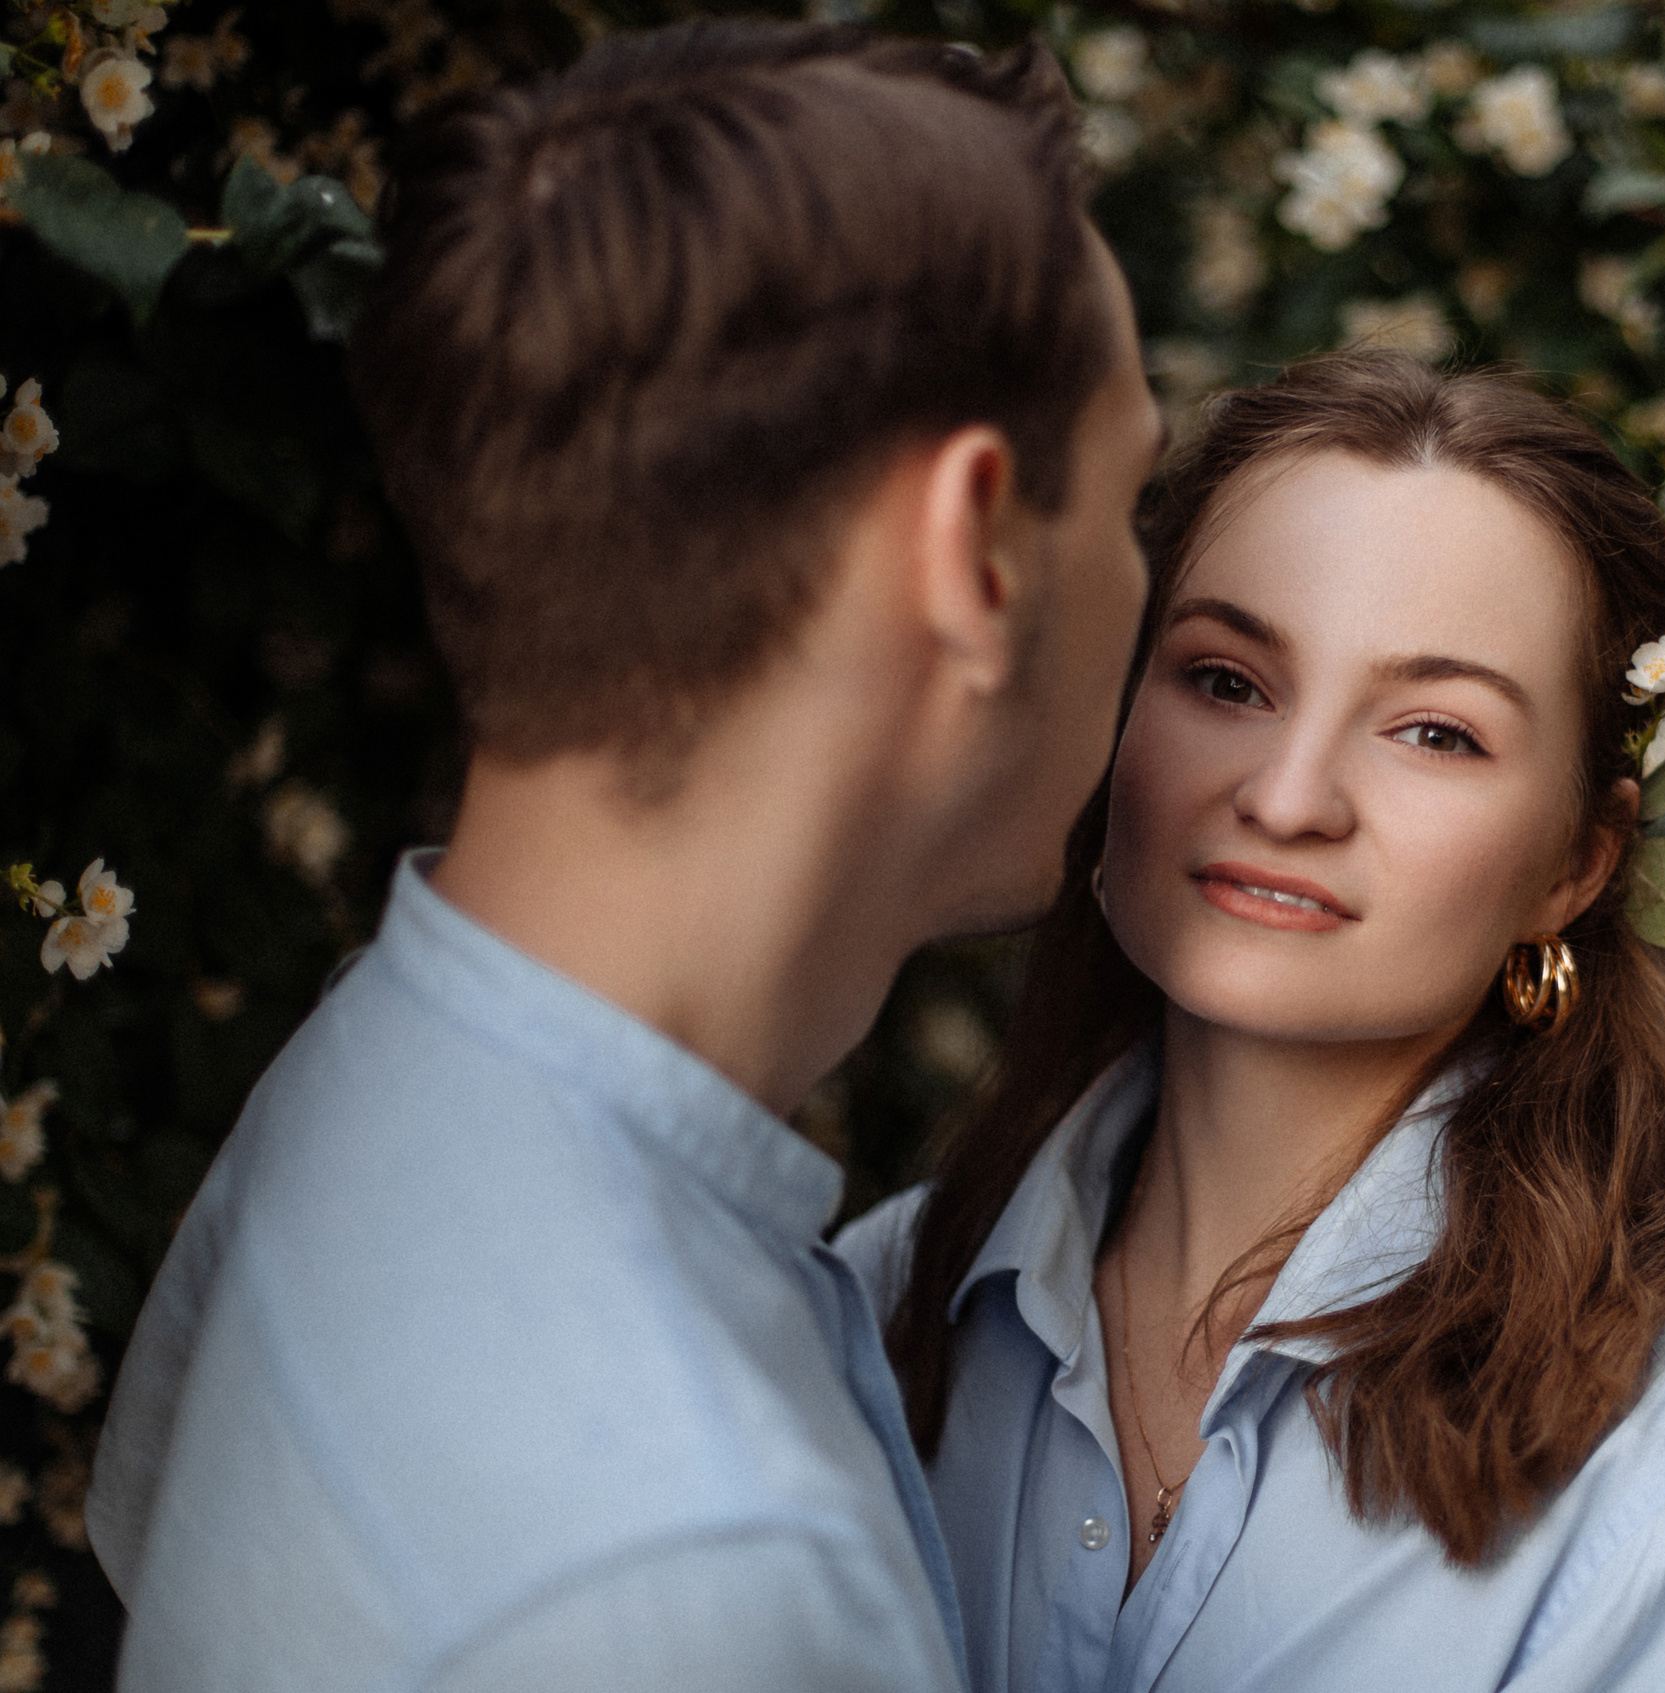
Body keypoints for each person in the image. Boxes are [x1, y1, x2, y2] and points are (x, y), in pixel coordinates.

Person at [85, 21, 1161, 1691]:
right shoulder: (687, 1577)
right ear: (973, 552)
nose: (1143, 589)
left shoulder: (360, 1080)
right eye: (1126, 500)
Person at [842, 351, 1665, 1693]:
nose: (1288, 798)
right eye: (1228, 680)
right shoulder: (881, 1305)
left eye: (1435, 732)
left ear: (1576, 862)